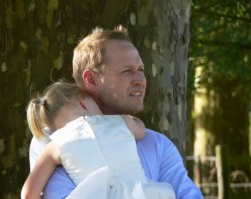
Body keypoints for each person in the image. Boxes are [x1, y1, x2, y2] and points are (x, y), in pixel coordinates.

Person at [29, 25, 203, 198]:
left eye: (141, 70)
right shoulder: (55, 141)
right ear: (91, 79)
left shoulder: (157, 144)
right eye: (127, 71)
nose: (140, 80)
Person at [21, 82, 176, 199]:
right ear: (83, 101)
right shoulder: (120, 122)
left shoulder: (55, 145)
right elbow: (141, 131)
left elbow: (28, 194)